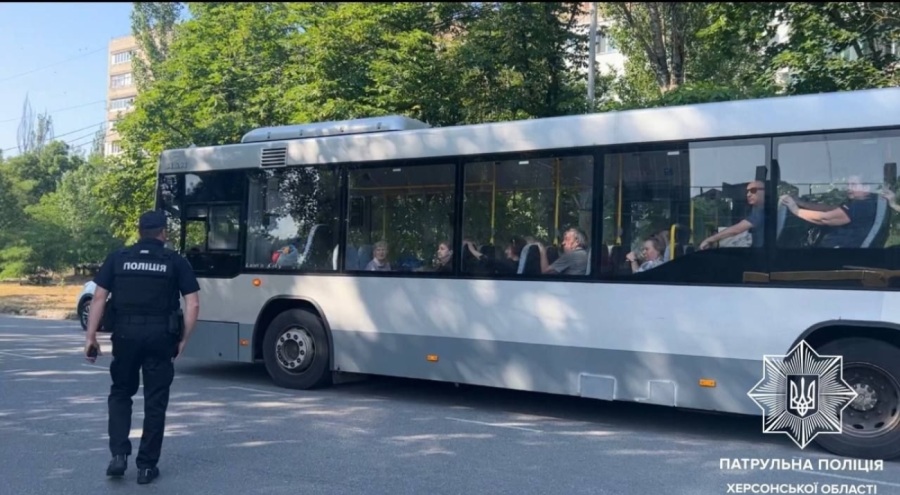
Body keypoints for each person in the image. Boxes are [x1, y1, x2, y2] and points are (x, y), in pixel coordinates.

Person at [83, 210, 200, 485]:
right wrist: (184, 338)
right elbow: (193, 303)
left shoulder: (119, 258)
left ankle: (119, 456)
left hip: (125, 335)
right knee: (155, 401)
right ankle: (147, 467)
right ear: (163, 233)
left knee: (121, 393)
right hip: (161, 337)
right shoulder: (175, 262)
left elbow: (99, 298)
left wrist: (91, 337)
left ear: (139, 232)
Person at [699, 180, 765, 250]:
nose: (748, 194)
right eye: (747, 191)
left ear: (763, 191)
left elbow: (737, 230)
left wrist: (710, 240)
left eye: (753, 190)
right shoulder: (756, 210)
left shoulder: (763, 212)